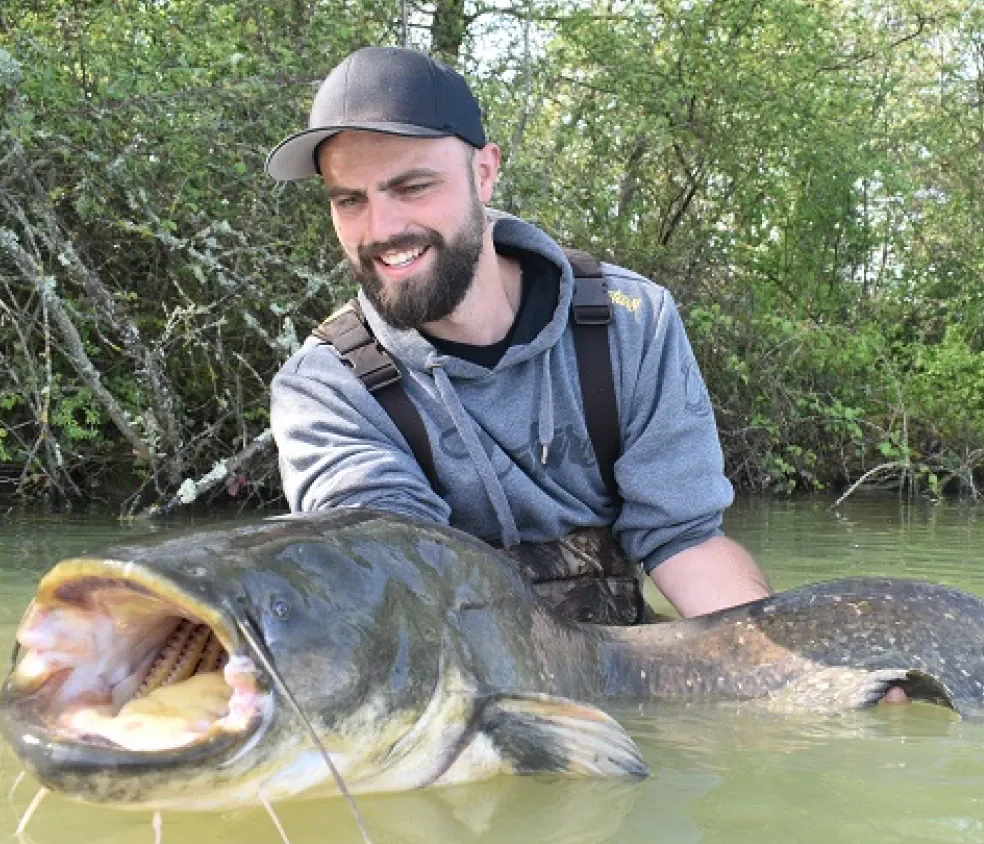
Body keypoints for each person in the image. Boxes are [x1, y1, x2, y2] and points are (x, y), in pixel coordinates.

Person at [265, 46, 771, 623]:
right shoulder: (325, 389)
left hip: (621, 675)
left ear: (483, 173)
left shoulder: (632, 322)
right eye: (350, 200)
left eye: (412, 187)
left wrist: (796, 670)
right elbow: (393, 574)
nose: (381, 229)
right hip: (463, 673)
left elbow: (686, 542)